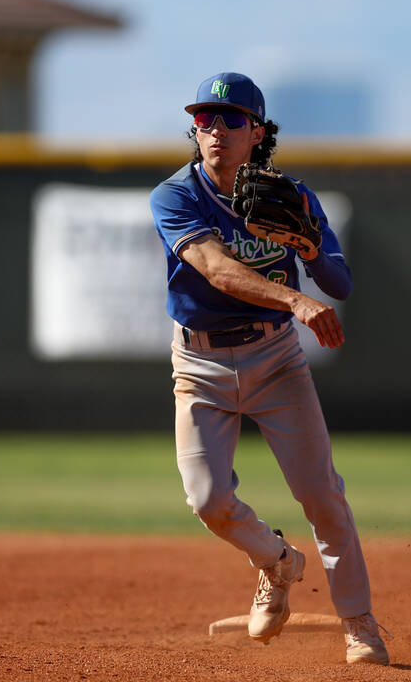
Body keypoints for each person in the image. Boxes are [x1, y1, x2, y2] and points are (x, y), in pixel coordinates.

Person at [148, 71, 389, 665]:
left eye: (231, 120)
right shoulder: (175, 195)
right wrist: (296, 299)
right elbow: (216, 269)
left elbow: (341, 283)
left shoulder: (295, 199)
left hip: (275, 359)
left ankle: (359, 624)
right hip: (200, 362)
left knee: (322, 497)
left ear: (257, 131)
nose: (216, 131)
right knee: (208, 501)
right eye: (205, 119)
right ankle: (277, 562)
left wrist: (309, 249)